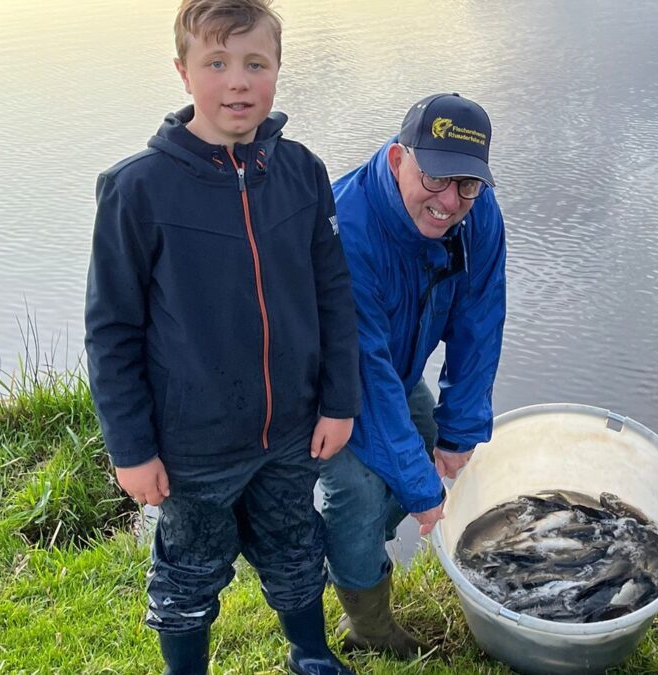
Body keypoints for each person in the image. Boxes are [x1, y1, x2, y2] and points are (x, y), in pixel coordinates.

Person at [84, 1, 360, 673]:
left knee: (296, 544)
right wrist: (132, 447)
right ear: (183, 73)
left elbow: (333, 294)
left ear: (276, 70)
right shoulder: (136, 190)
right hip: (192, 444)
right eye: (217, 63)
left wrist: (339, 400)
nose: (238, 83)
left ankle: (311, 653)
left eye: (255, 64)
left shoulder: (302, 171)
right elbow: (111, 331)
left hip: (292, 426)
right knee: (190, 568)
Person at [319, 93, 506, 657]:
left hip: (395, 372)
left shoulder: (477, 212)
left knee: (428, 451)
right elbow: (361, 370)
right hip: (328, 387)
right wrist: (421, 488)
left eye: (467, 184)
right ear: (399, 159)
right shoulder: (345, 228)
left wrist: (461, 426)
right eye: (436, 177)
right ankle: (368, 629)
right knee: (356, 496)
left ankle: (350, 554)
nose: (450, 201)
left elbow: (480, 317)